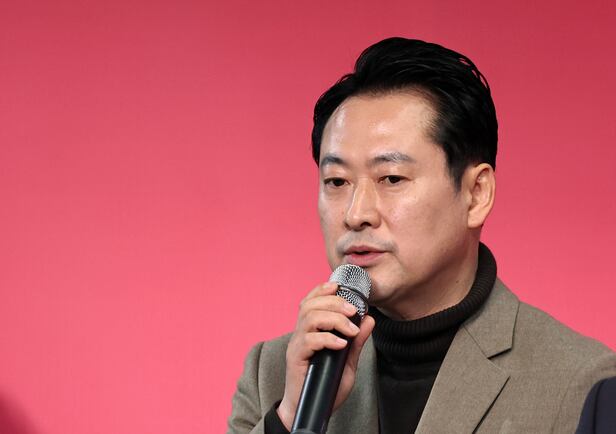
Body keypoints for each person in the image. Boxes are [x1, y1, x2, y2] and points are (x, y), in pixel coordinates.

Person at [227, 37, 616, 434]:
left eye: (392, 178)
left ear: (476, 194)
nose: (356, 214)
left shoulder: (584, 385)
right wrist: (289, 418)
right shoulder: (276, 374)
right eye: (337, 181)